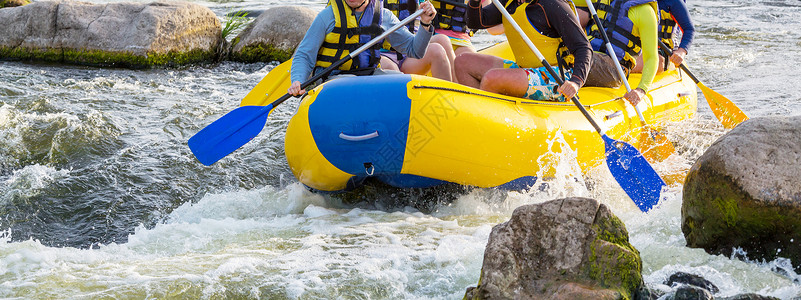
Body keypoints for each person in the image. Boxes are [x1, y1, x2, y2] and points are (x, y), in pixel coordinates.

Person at [288, 0, 438, 96]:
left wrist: (425, 24)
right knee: (353, 86)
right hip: (332, 79)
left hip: (368, 74)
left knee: (403, 84)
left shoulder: (383, 16)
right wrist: (297, 80)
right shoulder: (328, 16)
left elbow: (415, 51)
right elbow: (304, 55)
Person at [454, 0, 593, 101]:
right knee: (463, 62)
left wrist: (575, 82)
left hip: (555, 77)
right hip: (524, 69)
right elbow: (475, 22)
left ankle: (486, 123)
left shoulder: (552, 5)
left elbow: (583, 47)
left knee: (492, 78)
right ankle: (478, 112)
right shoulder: (509, 2)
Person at [575, 0, 660, 106]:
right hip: (589, 56)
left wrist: (641, 89)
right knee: (564, 54)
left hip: (614, 68)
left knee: (575, 60)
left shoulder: (645, 11)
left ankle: (559, 78)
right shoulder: (604, 2)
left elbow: (652, 57)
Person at [380, 0, 455, 81]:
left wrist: (427, 15)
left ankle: (455, 89)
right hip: (382, 55)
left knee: (439, 45)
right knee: (392, 69)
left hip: (409, 54)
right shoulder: (374, 6)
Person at [655, 0, 694, 68]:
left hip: (663, 51)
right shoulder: (635, 2)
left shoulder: (673, 1)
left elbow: (689, 29)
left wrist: (681, 51)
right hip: (639, 48)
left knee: (658, 62)